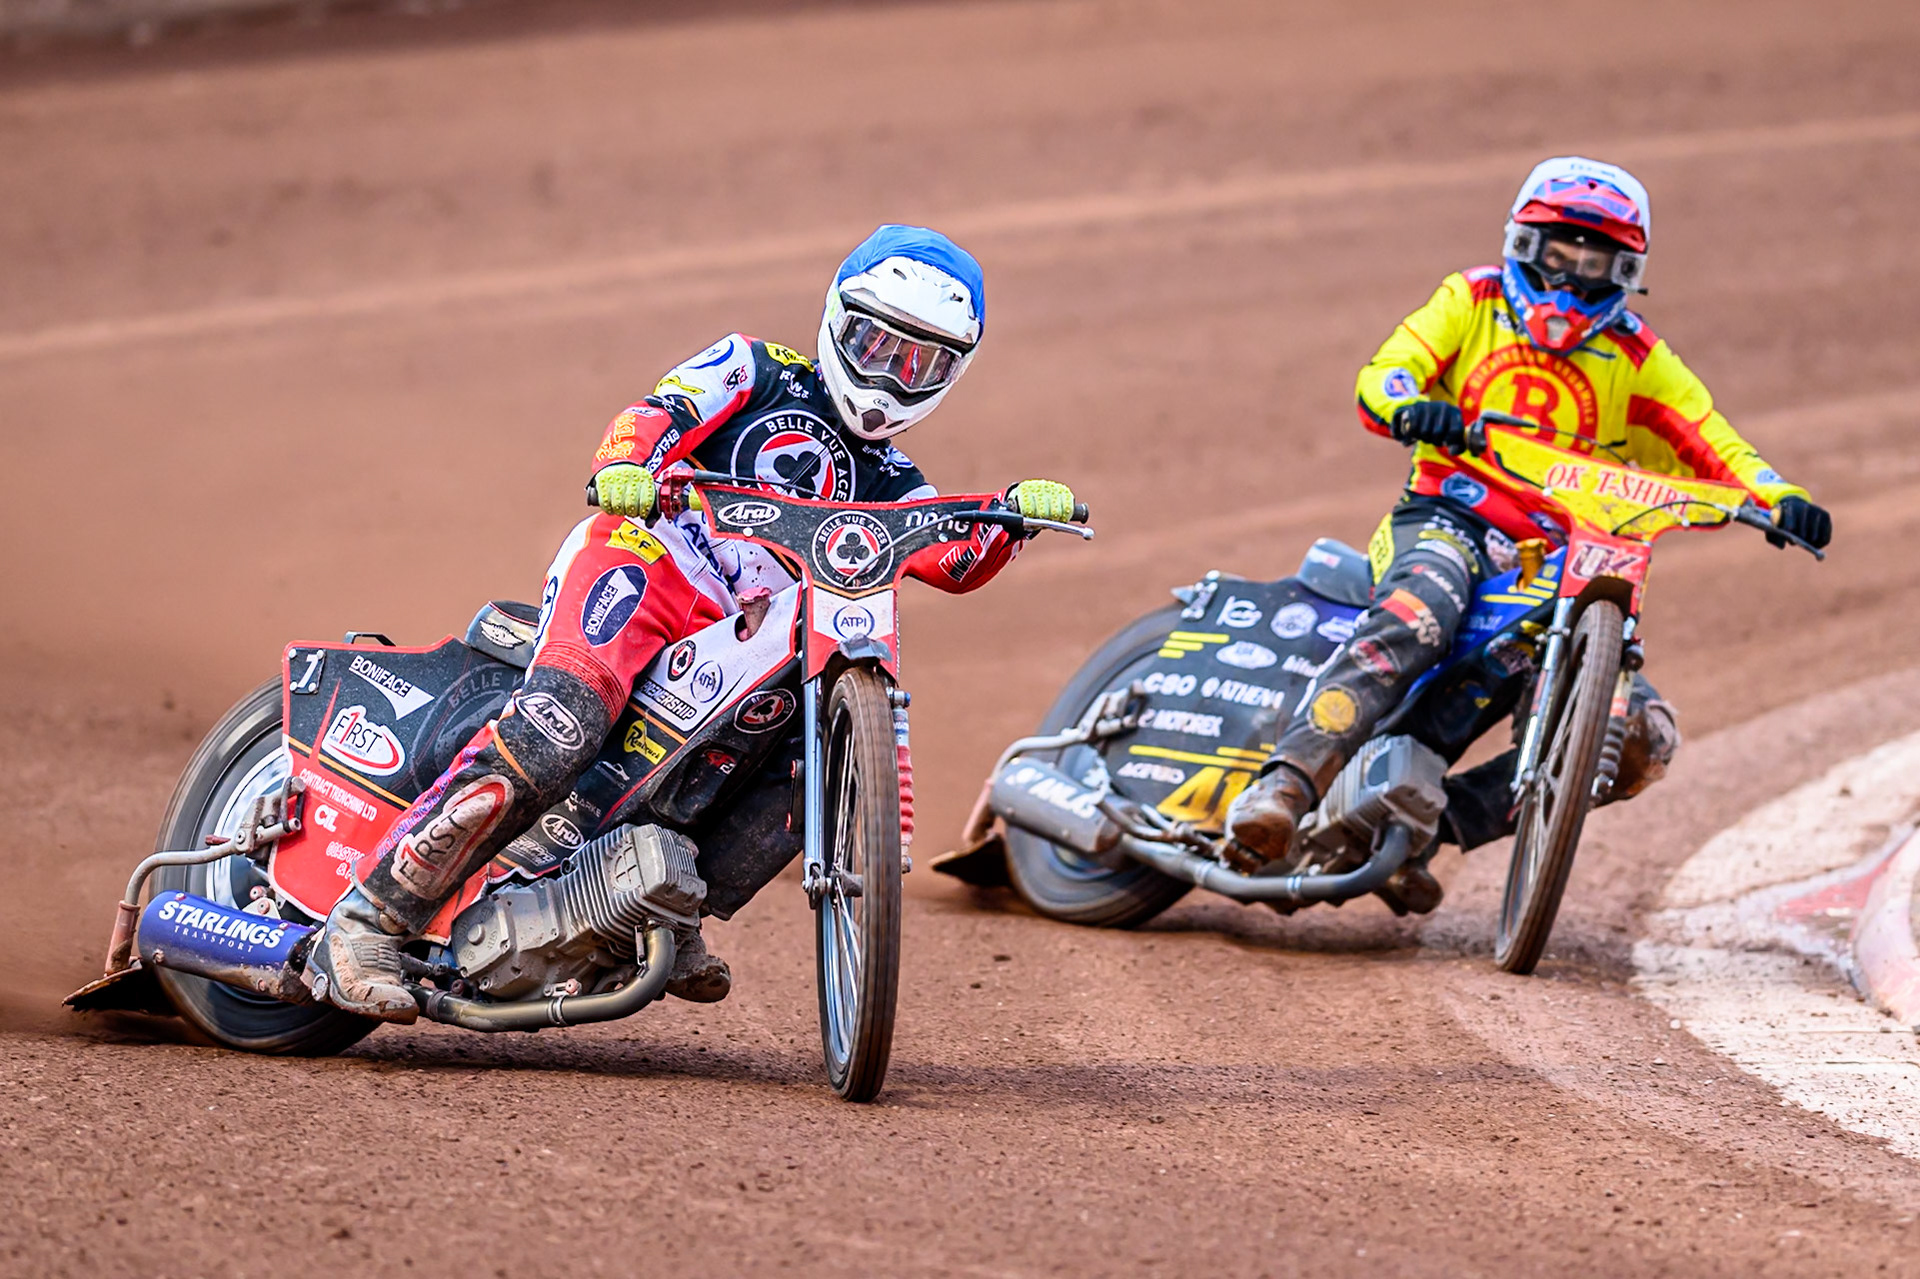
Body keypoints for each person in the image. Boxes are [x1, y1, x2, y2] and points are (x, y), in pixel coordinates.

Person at [309, 225, 1079, 1021]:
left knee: (802, 761)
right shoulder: (755, 367)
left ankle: (662, 911)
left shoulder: (893, 479)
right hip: (647, 559)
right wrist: (625, 465)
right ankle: (370, 916)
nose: (889, 373)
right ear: (835, 319)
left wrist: (1009, 520)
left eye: (920, 361)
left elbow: (948, 559)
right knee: (561, 722)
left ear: (955, 373)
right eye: (874, 341)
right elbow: (660, 410)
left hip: (740, 630)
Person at [1227, 157, 1832, 909]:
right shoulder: (1471, 300)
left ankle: (1426, 827)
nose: (1572, 280)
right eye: (1558, 257)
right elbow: (1386, 372)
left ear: (1628, 272)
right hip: (1448, 519)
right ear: (1523, 246)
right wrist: (1413, 406)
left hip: (1562, 557)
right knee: (1422, 615)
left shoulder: (1639, 359)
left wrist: (1779, 497)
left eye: (1596, 264)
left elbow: (1720, 446)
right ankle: (1284, 782)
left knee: (1640, 736)